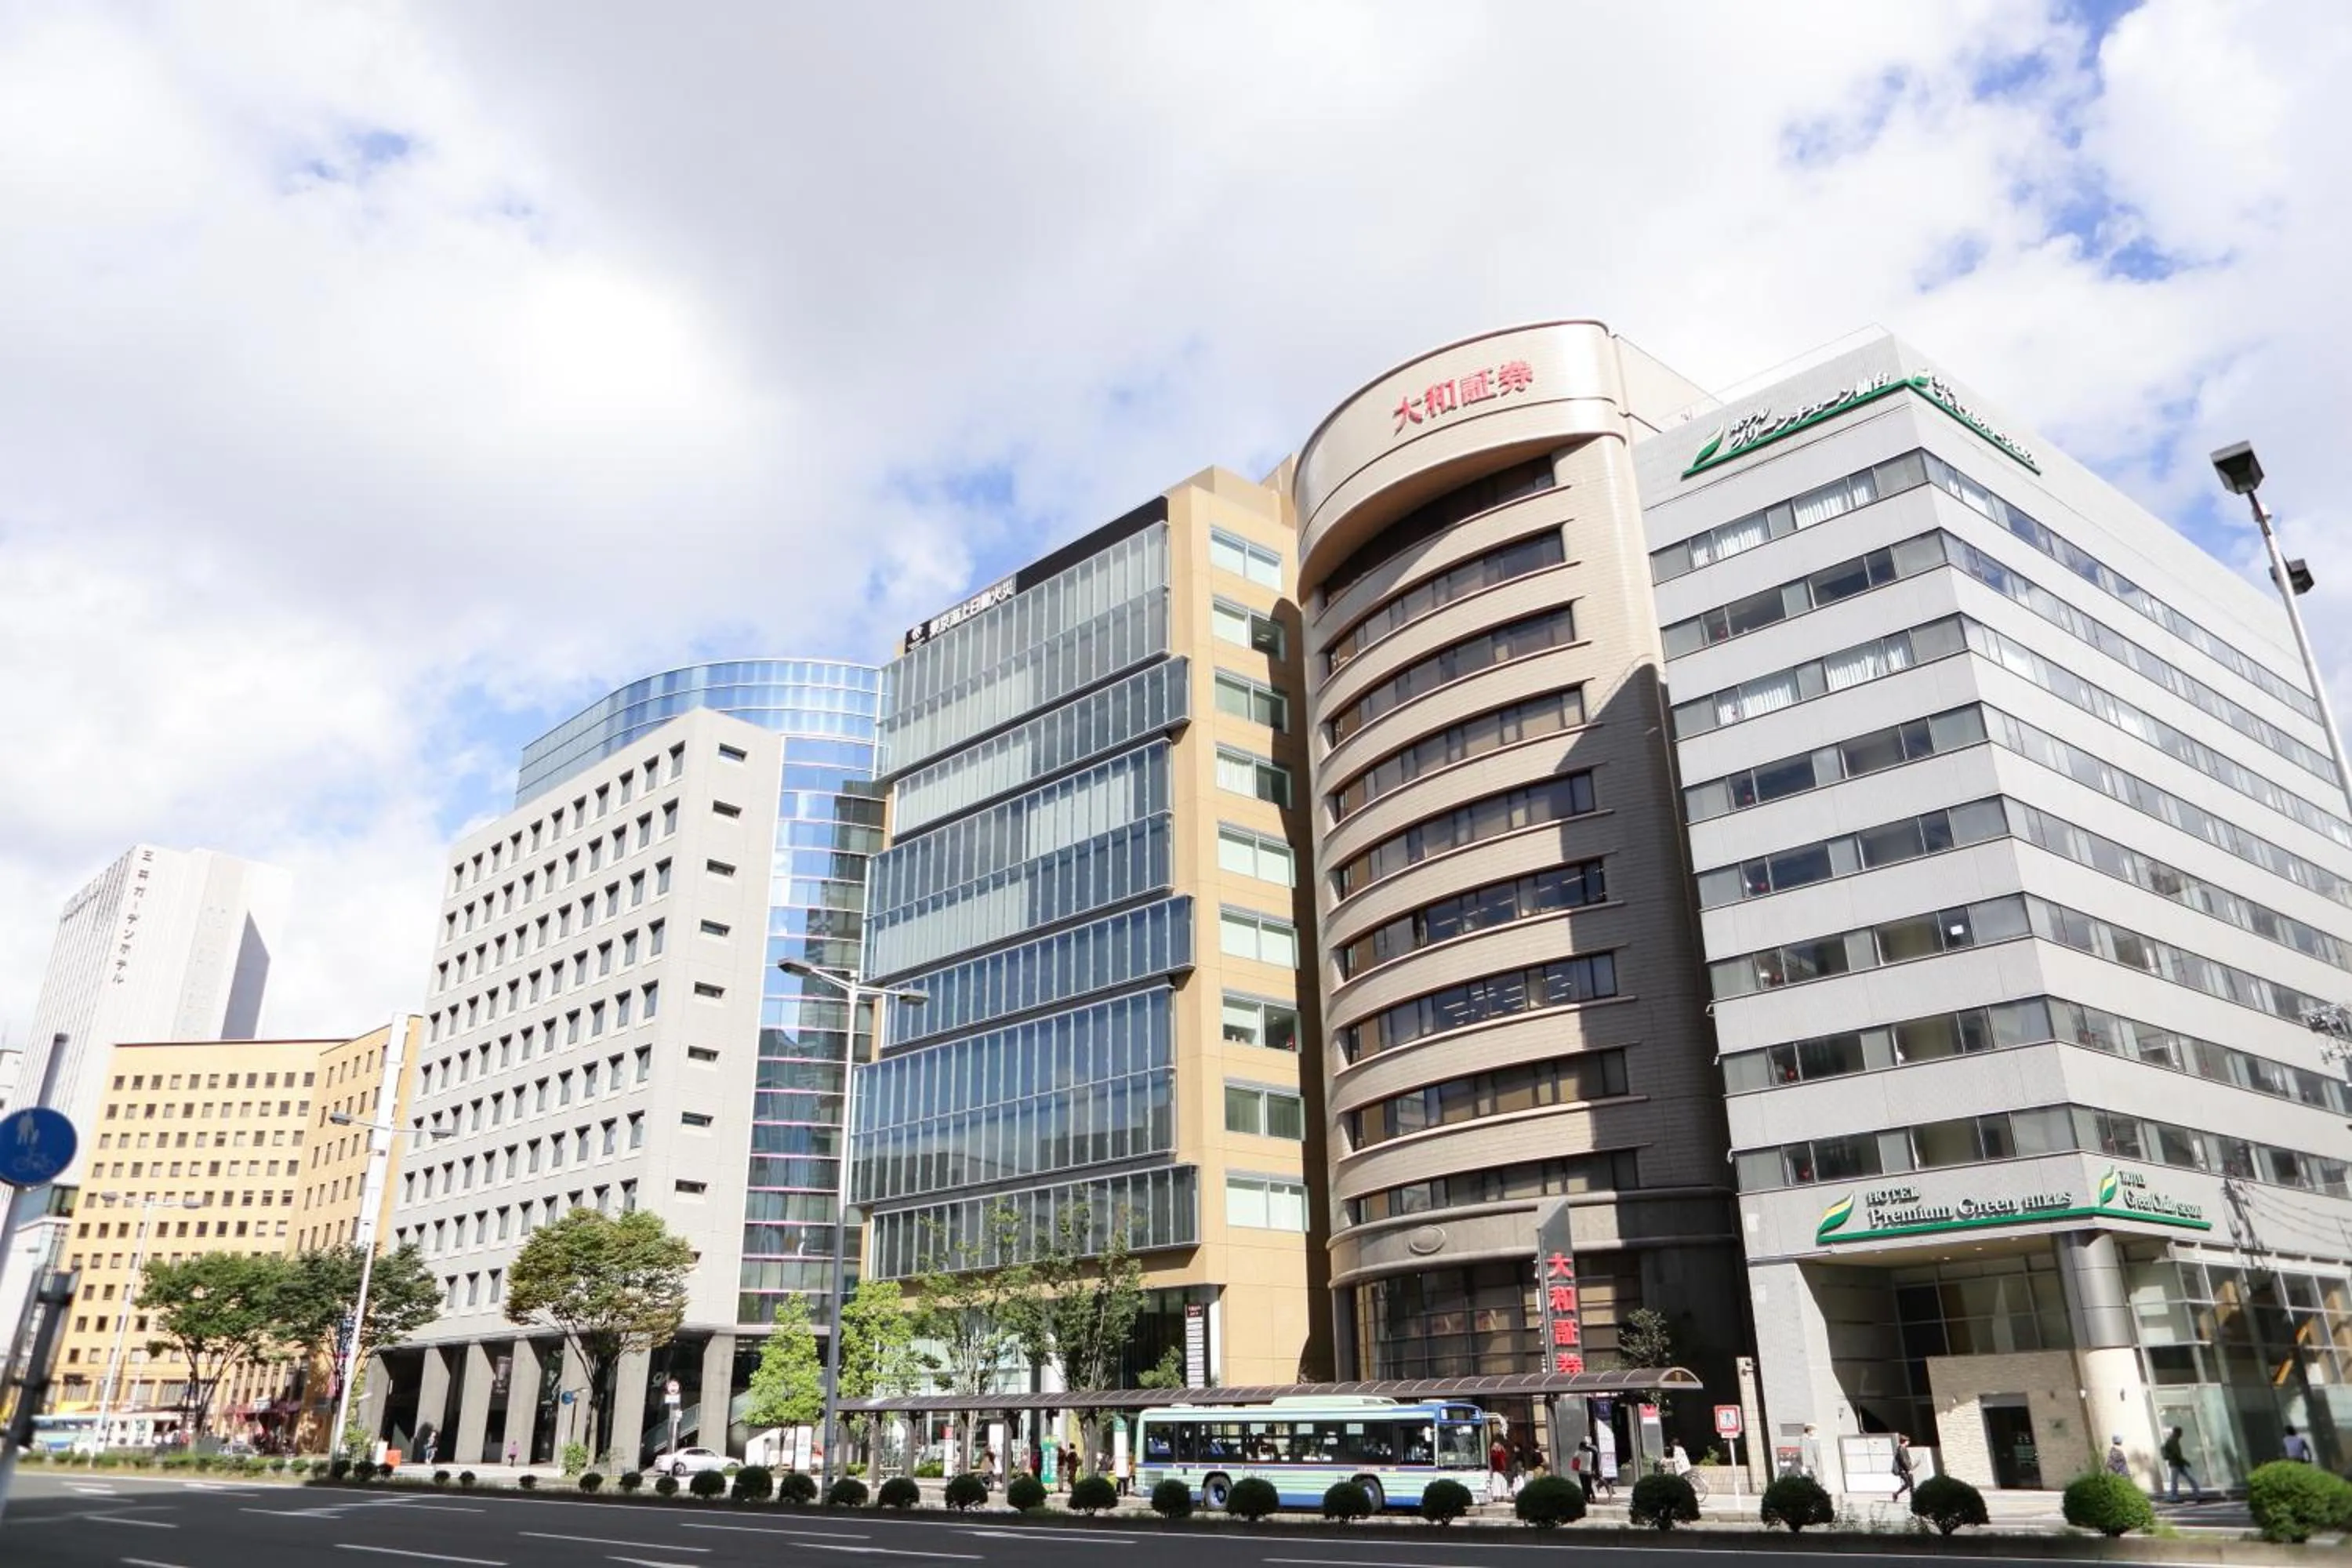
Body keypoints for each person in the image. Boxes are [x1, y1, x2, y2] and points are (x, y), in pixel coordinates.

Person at [2161, 1427, 2202, 1503]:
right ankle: (2174, 1497)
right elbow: (2176, 1454)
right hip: (2176, 1464)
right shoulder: (2172, 1441)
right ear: (2176, 1433)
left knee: (2178, 1480)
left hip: (2177, 1464)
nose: (2181, 1435)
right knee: (2177, 1480)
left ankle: (2196, 1495)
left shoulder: (2173, 1441)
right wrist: (2185, 1462)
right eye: (2180, 1433)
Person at [1890, 1434, 1915, 1502]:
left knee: (1912, 1484)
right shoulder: (1900, 1449)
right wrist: (1908, 1469)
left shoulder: (1904, 1449)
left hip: (1908, 1469)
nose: (1909, 1442)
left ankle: (1914, 1500)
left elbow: (1907, 1460)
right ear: (1905, 1441)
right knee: (1908, 1483)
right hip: (1903, 1470)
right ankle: (1896, 1494)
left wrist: (1911, 1467)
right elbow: (1903, 1461)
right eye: (1908, 1441)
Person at [1574, 1435, 1599, 1504]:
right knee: (1588, 1486)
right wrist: (1589, 1447)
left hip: (1581, 1471)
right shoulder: (1590, 1453)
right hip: (1588, 1472)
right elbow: (1596, 1451)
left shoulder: (1578, 1453)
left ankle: (1587, 1498)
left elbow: (1575, 1458)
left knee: (1584, 1486)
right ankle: (1589, 1498)